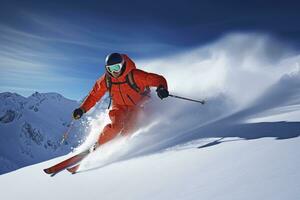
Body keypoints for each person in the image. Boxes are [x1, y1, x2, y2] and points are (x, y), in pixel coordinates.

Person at [72, 53, 169, 149]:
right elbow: (94, 95)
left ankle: (122, 146)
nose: (114, 72)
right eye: (110, 69)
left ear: (122, 65)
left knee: (130, 127)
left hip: (137, 105)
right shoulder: (106, 80)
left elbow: (158, 79)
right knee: (115, 127)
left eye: (116, 68)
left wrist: (162, 88)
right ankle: (99, 145)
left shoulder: (135, 75)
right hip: (119, 106)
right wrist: (82, 109)